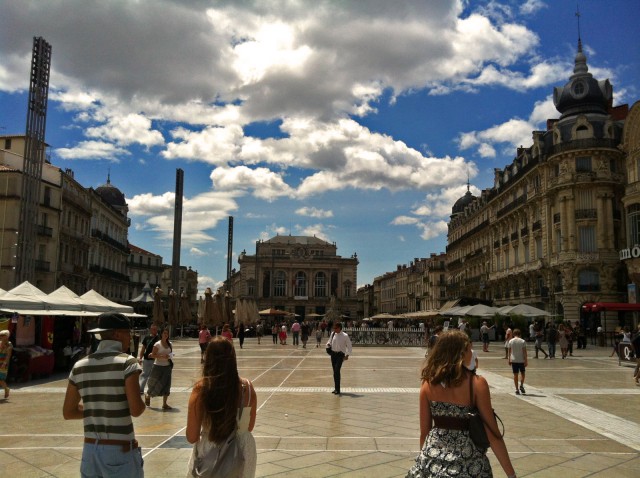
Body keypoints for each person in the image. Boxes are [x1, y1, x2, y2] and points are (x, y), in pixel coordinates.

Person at [407, 330, 516, 478]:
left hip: (433, 460)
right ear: (461, 353)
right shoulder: (476, 384)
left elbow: (424, 432)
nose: (471, 352)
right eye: (468, 348)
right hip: (468, 463)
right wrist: (511, 475)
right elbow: (493, 433)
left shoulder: (428, 383)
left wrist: (424, 461)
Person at [63, 312, 146, 477]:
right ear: (117, 334)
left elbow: (68, 412)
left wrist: (97, 409)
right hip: (119, 451)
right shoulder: (128, 363)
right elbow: (136, 410)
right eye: (128, 333)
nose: (130, 337)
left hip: (90, 451)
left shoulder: (79, 365)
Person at [186, 337, 257, 478]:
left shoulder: (201, 390)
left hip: (210, 450)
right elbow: (249, 427)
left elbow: (192, 436)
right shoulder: (247, 388)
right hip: (243, 451)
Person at [145, 328, 173, 410]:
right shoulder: (157, 344)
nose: (166, 335)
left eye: (167, 333)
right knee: (154, 383)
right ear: (161, 334)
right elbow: (152, 355)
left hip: (167, 367)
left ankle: (164, 404)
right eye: (164, 333)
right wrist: (162, 356)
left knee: (167, 385)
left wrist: (170, 356)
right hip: (157, 366)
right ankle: (148, 395)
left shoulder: (170, 344)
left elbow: (171, 354)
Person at [326, 322, 352, 396]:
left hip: (340, 355)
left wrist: (347, 355)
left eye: (336, 328)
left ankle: (338, 389)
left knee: (337, 370)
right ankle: (336, 388)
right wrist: (328, 345)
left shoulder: (345, 336)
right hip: (333, 354)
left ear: (340, 328)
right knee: (335, 371)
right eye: (334, 328)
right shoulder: (333, 334)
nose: (334, 329)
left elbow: (349, 346)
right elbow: (329, 341)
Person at [138, 323, 160, 393]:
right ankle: (140, 389)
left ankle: (153, 389)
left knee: (154, 376)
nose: (154, 331)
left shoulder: (159, 338)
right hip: (147, 359)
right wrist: (140, 357)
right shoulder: (147, 338)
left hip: (155, 360)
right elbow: (143, 348)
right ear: (150, 330)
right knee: (145, 374)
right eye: (153, 329)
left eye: (155, 329)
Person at [508, 329, 528, 395]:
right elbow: (524, 352)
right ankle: (521, 385)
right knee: (523, 373)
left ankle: (516, 389)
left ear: (513, 334)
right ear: (520, 334)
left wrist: (509, 359)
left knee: (515, 374)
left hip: (514, 360)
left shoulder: (510, 341)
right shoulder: (523, 341)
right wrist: (526, 360)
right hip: (521, 360)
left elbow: (509, 351)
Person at [0, 329, 13, 399]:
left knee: (1, 379)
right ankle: (6, 389)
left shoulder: (9, 344)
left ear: (7, 336)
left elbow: (8, 355)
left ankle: (6, 389)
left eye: (2, 335)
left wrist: (4, 363)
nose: (1, 336)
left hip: (3, 363)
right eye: (0, 335)